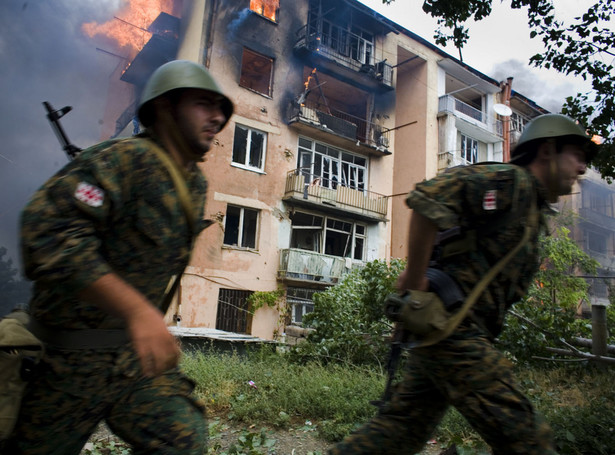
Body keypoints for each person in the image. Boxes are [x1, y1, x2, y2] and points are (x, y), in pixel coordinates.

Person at [329, 113, 597, 455]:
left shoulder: (530, 205)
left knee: (398, 431)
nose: (582, 168)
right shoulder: (509, 182)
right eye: (577, 155)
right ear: (547, 149)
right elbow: (429, 197)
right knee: (528, 440)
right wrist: (414, 282)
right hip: (456, 331)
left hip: (448, 329)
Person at [7, 59, 233, 454]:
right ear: (165, 107)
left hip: (131, 362)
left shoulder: (193, 184)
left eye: (221, 109)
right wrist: (138, 311)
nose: (217, 117)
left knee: (183, 438)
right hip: (66, 360)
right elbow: (46, 232)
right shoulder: (120, 160)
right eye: (203, 104)